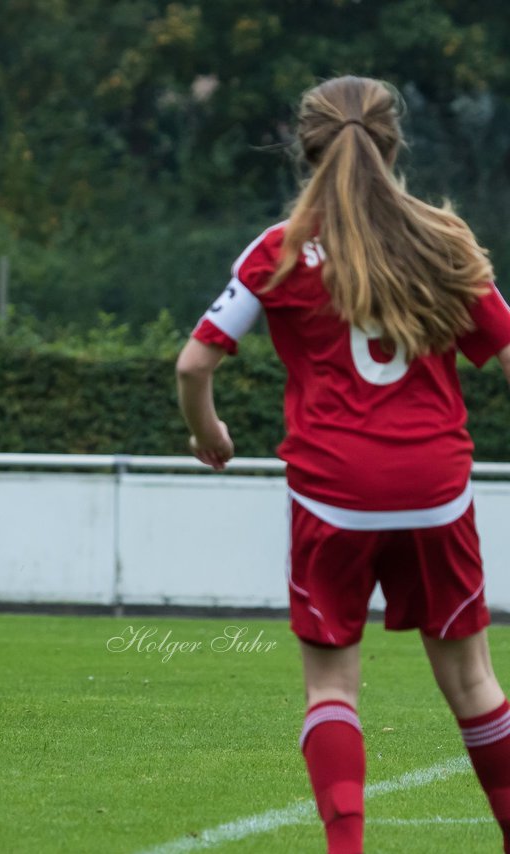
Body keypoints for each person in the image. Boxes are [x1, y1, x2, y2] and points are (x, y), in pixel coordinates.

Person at [176, 76, 510, 854]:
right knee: (473, 685)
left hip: (334, 499)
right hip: (435, 492)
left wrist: (210, 433)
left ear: (305, 146)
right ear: (395, 144)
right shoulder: (444, 238)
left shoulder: (283, 246)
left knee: (332, 688)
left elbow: (196, 364)